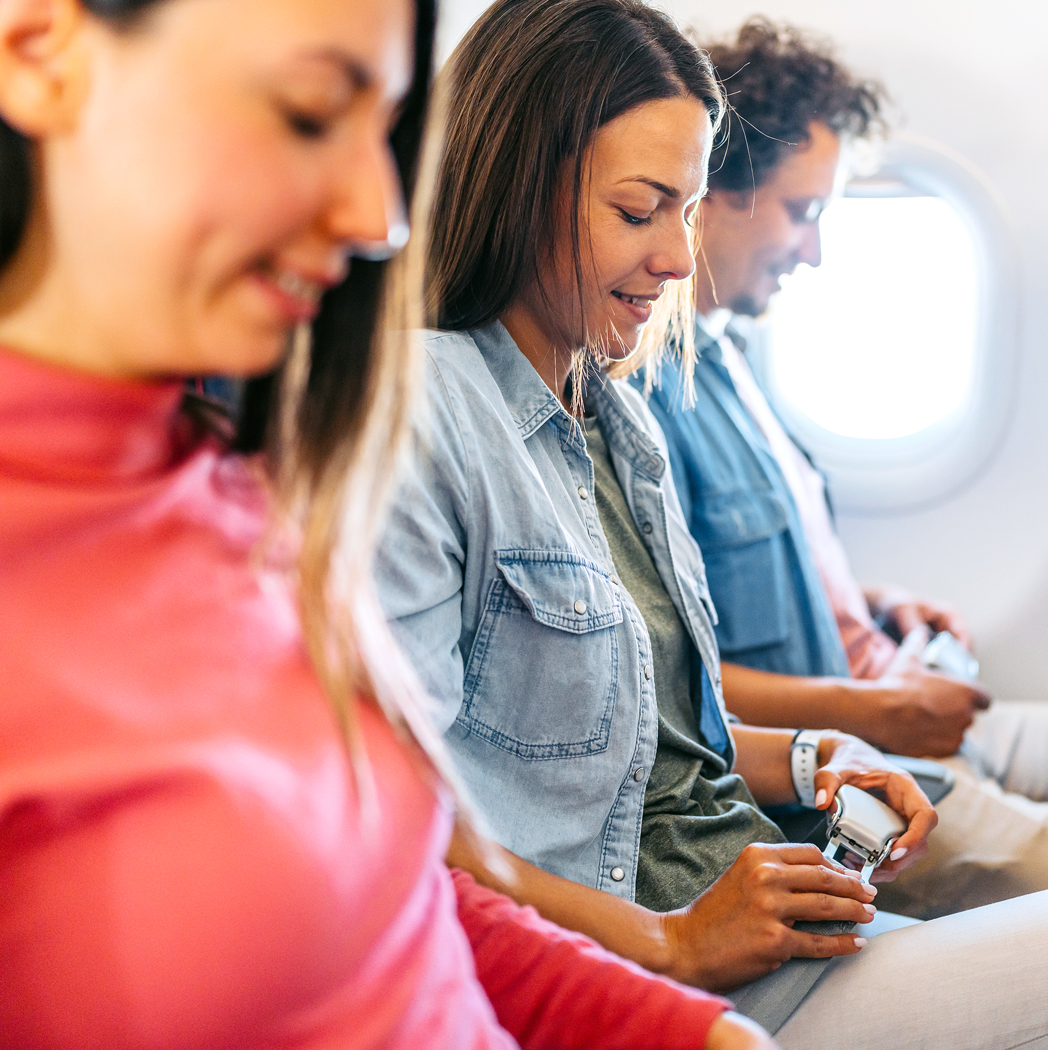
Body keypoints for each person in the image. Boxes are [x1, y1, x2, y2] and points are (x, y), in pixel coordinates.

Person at [375, 0, 1048, 1046]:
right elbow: (402, 832)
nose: (678, 260)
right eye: (640, 211)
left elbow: (650, 745)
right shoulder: (423, 417)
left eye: (686, 211)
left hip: (769, 918)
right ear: (513, 191)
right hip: (675, 982)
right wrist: (667, 941)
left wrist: (817, 758)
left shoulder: (613, 419)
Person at [0, 1, 772, 1048]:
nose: (380, 213)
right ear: (40, 56)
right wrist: (667, 950)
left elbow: (403, 907)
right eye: (311, 114)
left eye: (388, 134)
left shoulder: (233, 487)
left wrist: (685, 1029)